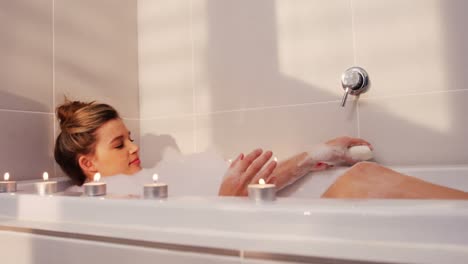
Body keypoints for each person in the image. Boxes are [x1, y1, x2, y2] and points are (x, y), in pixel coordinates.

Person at [54, 100, 468, 199]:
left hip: (265, 221)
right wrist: (225, 201)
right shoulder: (103, 207)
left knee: (353, 177)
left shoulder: (157, 180)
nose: (134, 146)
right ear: (88, 163)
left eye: (130, 136)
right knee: (358, 185)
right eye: (120, 142)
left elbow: (256, 185)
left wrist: (315, 154)